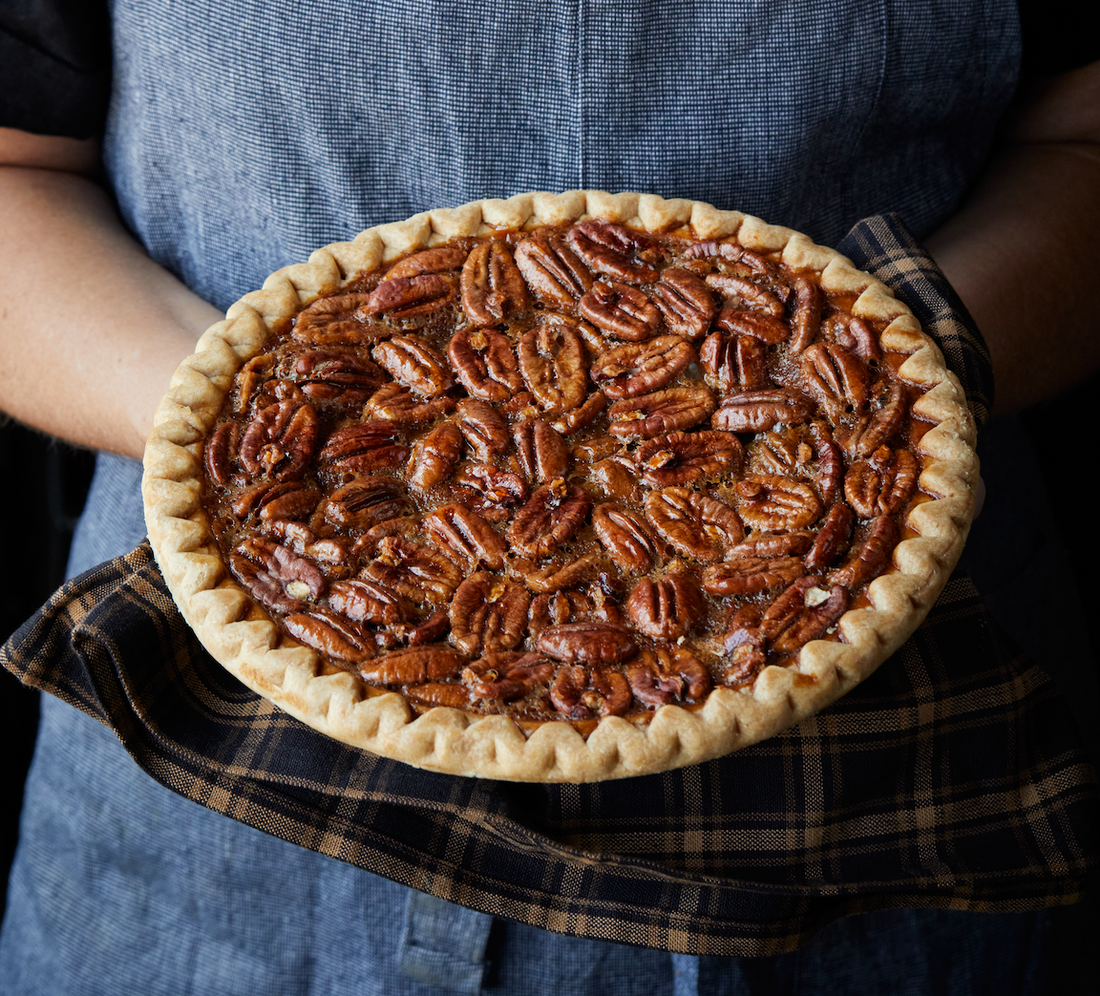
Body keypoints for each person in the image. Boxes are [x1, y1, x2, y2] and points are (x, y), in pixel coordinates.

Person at [1, 1, 1098, 992]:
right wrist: (276, 455)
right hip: (229, 800)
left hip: (873, 804)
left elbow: (1076, 137)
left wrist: (871, 405)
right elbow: (17, 170)